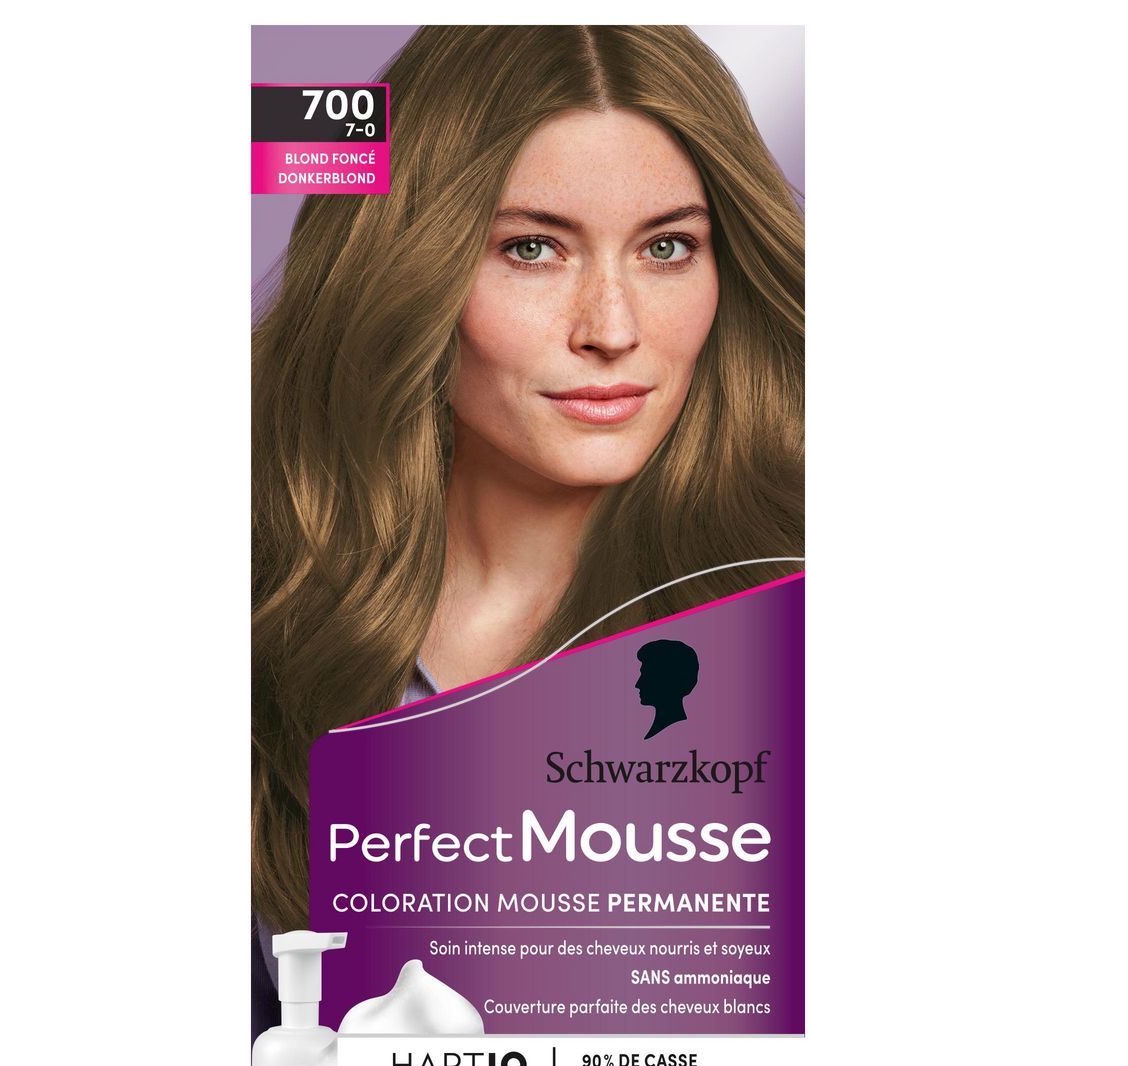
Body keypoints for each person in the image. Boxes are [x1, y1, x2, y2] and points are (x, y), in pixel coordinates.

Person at [252, 26, 804, 984]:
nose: (613, 329)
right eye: (533, 248)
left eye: (668, 247)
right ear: (406, 264)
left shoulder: (792, 624)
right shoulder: (268, 614)